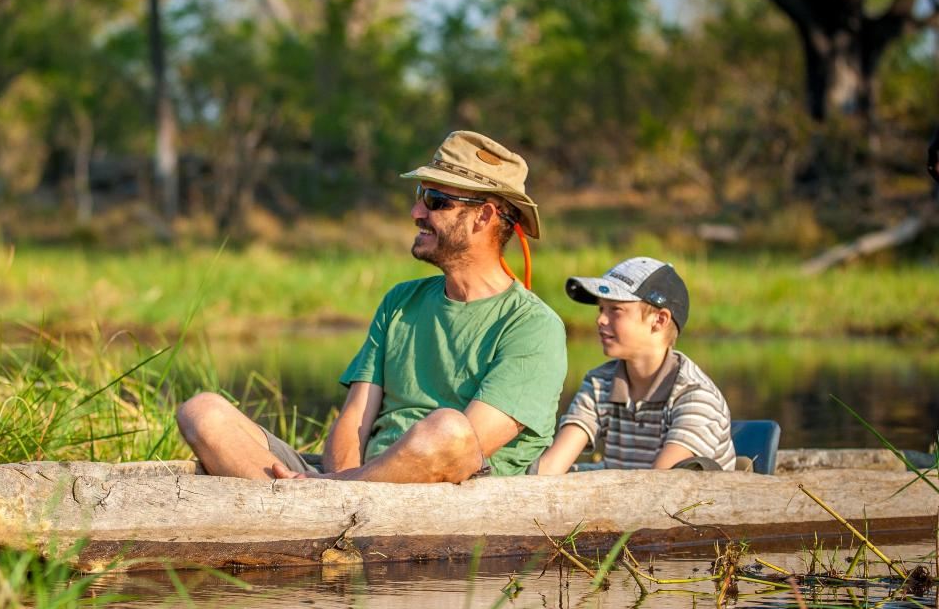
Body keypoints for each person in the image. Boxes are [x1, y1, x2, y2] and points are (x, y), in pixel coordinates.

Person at [177, 130, 568, 483]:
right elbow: (353, 422)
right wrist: (343, 486)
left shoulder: (534, 326)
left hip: (440, 494)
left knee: (448, 428)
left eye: (435, 201)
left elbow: (463, 450)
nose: (417, 212)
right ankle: (310, 516)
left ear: (483, 216)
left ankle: (306, 510)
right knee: (202, 411)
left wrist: (335, 490)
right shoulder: (401, 301)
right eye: (420, 197)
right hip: (344, 487)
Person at [535, 256, 736, 474]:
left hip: (677, 507)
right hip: (628, 502)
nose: (600, 320)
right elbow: (550, 469)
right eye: (601, 309)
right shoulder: (599, 383)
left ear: (659, 320)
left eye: (615, 310)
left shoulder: (695, 396)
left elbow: (659, 487)